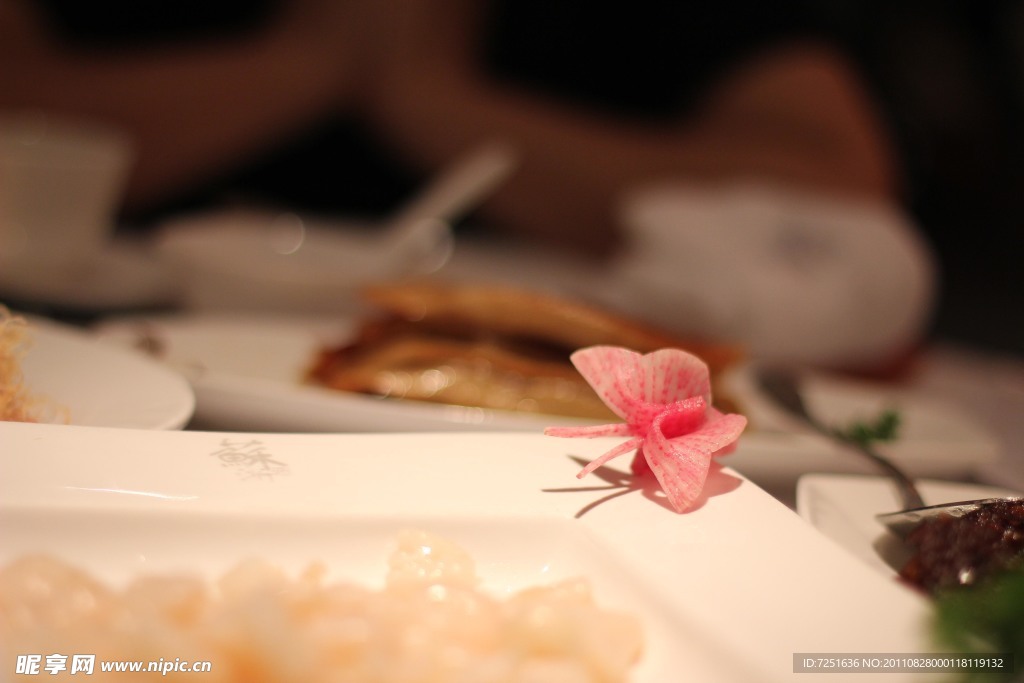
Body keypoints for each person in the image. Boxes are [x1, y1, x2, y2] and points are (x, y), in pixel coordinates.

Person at [0, 0, 936, 370]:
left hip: (537, 375)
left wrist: (429, 99)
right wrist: (308, 64)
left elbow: (838, 178)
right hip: (85, 349)